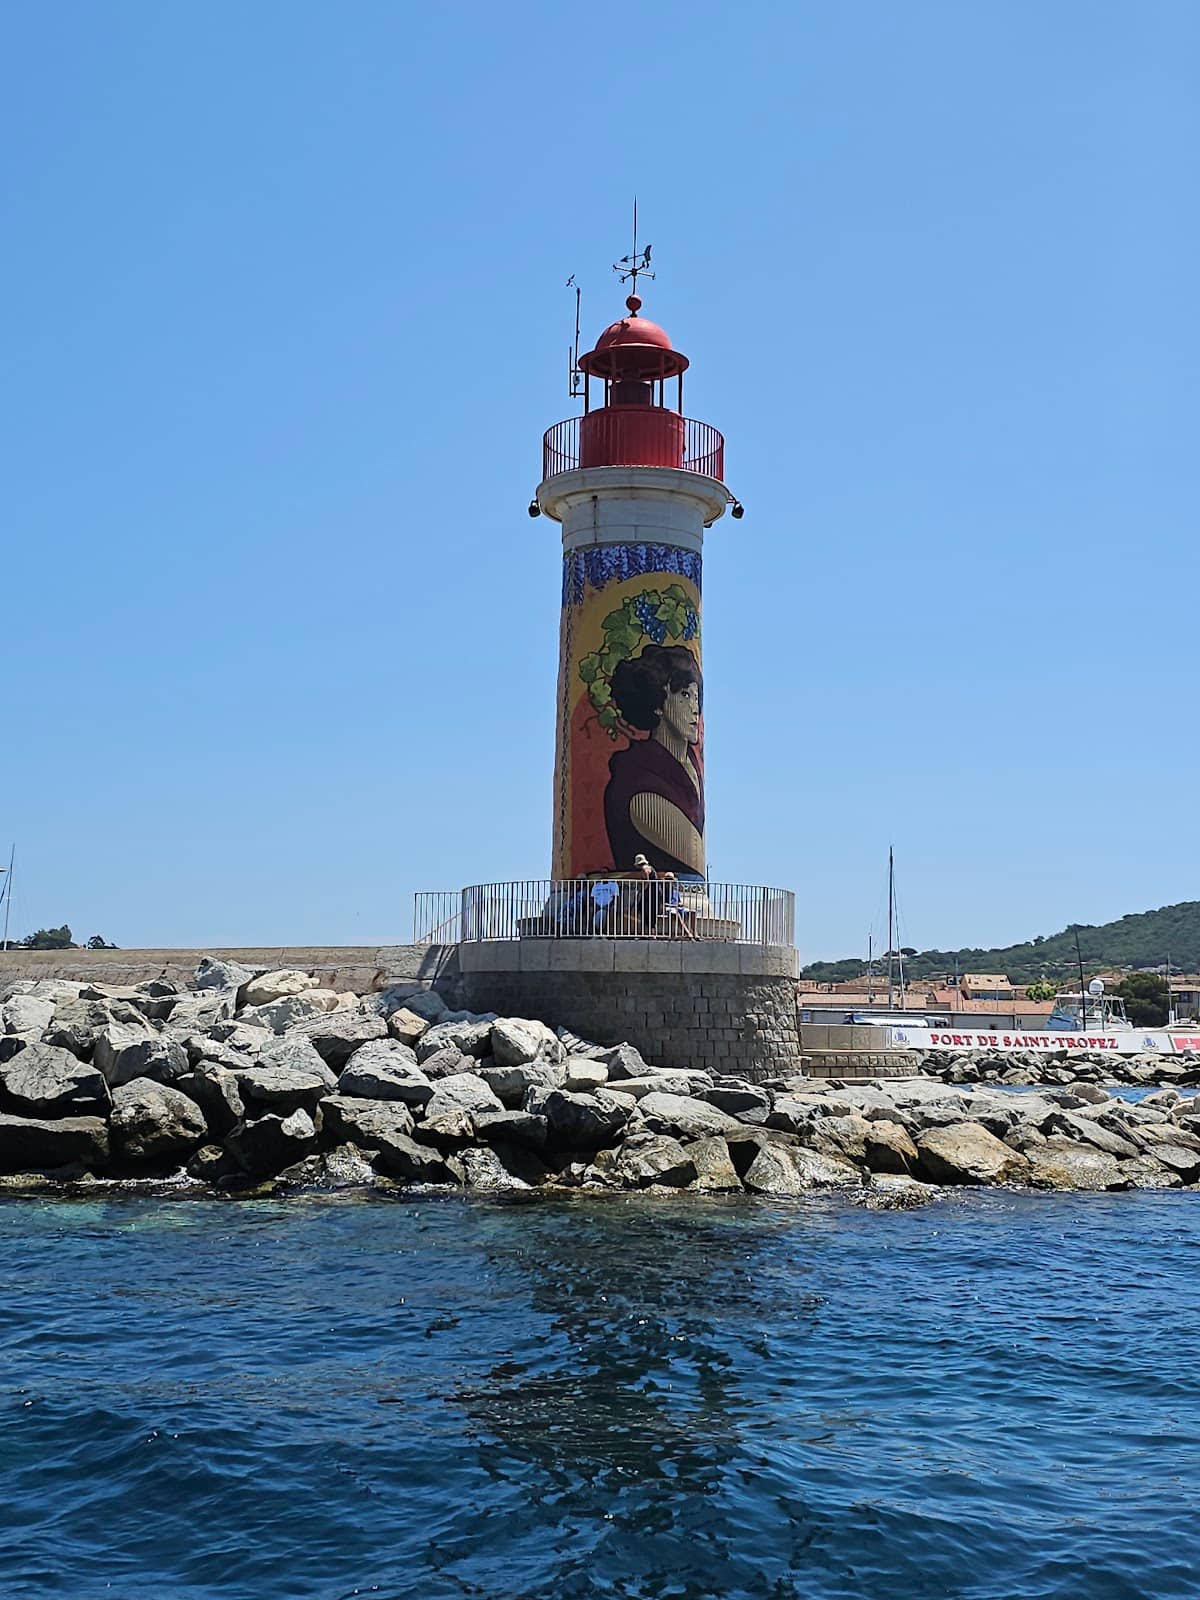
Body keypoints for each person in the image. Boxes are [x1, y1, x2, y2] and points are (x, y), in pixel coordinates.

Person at [603, 644, 704, 878]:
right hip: (642, 907)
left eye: (697, 697)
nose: (695, 709)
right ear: (659, 703)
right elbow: (693, 852)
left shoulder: (690, 763)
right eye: (685, 695)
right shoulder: (637, 777)